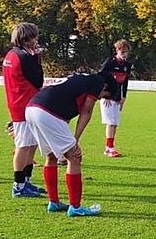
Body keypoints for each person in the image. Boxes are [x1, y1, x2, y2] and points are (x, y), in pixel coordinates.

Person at [25, 71, 112, 216]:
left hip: (32, 108)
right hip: (46, 112)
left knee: (51, 156)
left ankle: (53, 202)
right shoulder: (97, 82)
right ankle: (76, 207)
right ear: (105, 87)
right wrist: (75, 139)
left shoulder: (79, 80)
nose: (100, 97)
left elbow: (63, 112)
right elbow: (87, 111)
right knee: (75, 157)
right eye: (103, 95)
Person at [2, 22, 46, 198]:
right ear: (26, 38)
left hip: (18, 102)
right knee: (23, 146)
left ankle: (26, 181)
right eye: (34, 37)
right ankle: (19, 184)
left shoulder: (11, 54)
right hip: (24, 104)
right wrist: (37, 59)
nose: (36, 40)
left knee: (31, 144)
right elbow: (38, 80)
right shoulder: (25, 57)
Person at [99, 39, 133, 157]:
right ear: (117, 51)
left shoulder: (127, 66)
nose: (125, 55)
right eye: (122, 52)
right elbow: (100, 77)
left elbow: (125, 83)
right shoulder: (110, 63)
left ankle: (110, 146)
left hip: (118, 96)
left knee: (115, 122)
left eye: (126, 53)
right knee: (110, 122)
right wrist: (105, 94)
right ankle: (109, 147)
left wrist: (124, 97)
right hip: (108, 97)